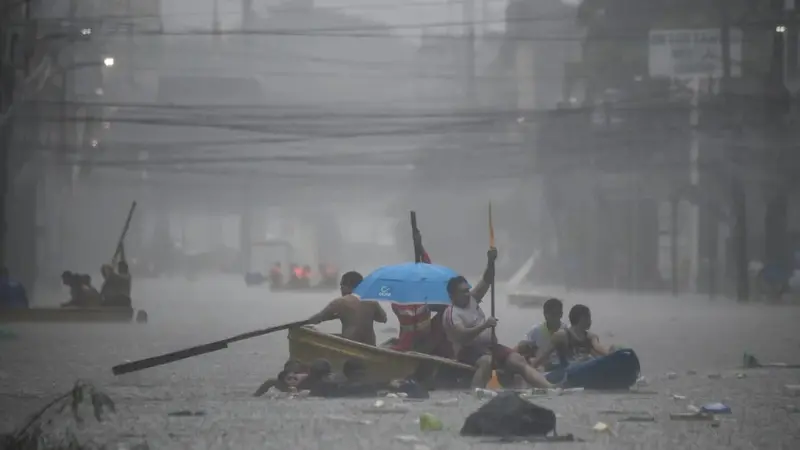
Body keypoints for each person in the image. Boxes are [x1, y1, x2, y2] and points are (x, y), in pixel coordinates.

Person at [443, 247, 554, 389]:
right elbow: (462, 336)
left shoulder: (472, 299)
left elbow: (487, 280)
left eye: (467, 290)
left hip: (490, 346)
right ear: (452, 296)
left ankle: (549, 387)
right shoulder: (451, 313)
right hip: (467, 351)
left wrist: (490, 262)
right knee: (487, 361)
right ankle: (475, 394)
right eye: (462, 292)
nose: (467, 294)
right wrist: (484, 326)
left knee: (518, 359)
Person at [307, 271, 387, 346]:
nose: (340, 289)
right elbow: (383, 319)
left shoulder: (340, 302)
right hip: (370, 345)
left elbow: (319, 318)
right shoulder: (371, 301)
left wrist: (301, 324)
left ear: (348, 286)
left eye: (341, 286)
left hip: (349, 344)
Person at [529, 304, 610, 370]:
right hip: (567, 371)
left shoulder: (591, 337)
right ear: (581, 318)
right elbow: (544, 355)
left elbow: (598, 348)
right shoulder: (561, 335)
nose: (590, 321)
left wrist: (613, 353)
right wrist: (532, 368)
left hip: (585, 367)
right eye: (588, 317)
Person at [517, 298, 567, 370]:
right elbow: (522, 345)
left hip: (560, 366)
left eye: (557, 314)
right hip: (541, 366)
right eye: (552, 314)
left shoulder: (566, 331)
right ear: (545, 314)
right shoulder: (536, 330)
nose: (555, 318)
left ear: (561, 314)